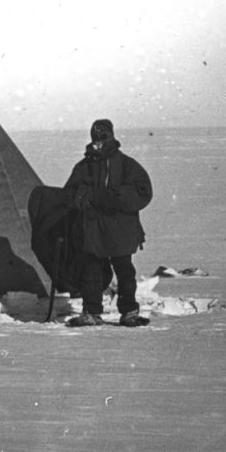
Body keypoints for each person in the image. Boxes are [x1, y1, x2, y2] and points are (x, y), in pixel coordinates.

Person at [63, 119, 152, 327]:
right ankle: (92, 312)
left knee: (124, 270)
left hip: (120, 227)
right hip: (94, 228)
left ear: (111, 135)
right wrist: (83, 197)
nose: (99, 141)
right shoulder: (84, 167)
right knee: (91, 270)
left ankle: (129, 311)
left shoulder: (127, 165)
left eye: (103, 136)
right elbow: (70, 194)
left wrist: (111, 198)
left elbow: (143, 192)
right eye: (96, 137)